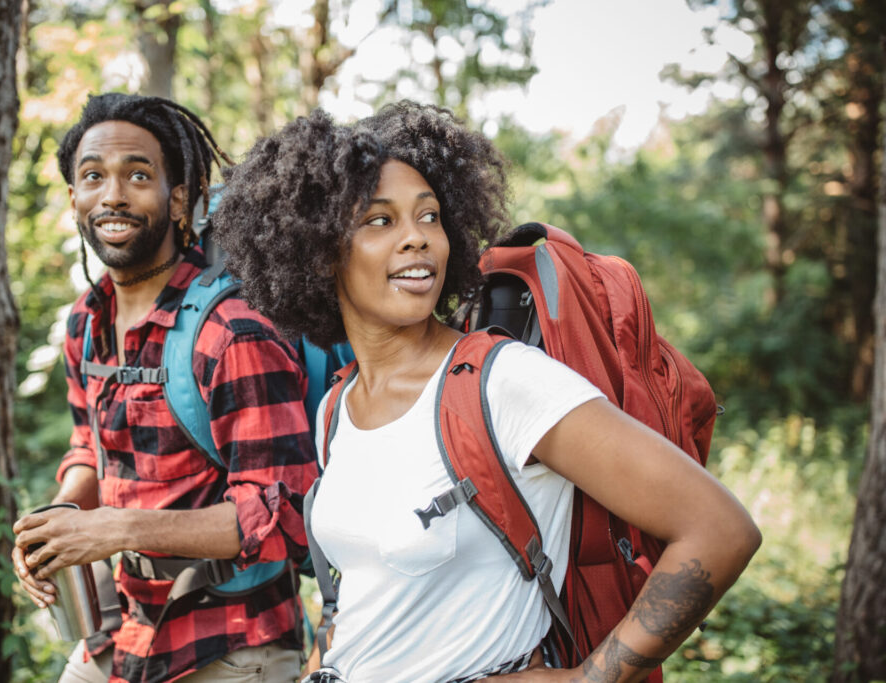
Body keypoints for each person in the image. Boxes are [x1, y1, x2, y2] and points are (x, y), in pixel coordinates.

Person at [210, 102, 762, 683]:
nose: (417, 239)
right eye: (380, 221)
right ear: (319, 254)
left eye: (429, 217)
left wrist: (590, 678)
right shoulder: (336, 408)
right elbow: (362, 596)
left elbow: (719, 529)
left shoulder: (505, 383)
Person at [11, 93, 314, 683]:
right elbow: (87, 447)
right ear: (74, 200)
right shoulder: (85, 322)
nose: (114, 195)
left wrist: (115, 529)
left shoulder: (233, 334)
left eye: (138, 175)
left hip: (229, 644)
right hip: (118, 629)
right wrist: (60, 522)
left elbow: (283, 519)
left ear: (178, 199)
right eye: (93, 176)